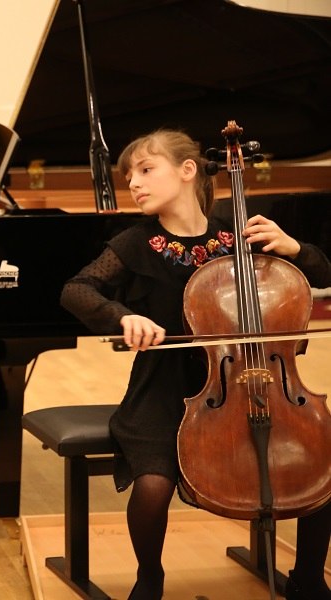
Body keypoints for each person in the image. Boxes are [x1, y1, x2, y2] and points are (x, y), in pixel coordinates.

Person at [59, 129, 331, 599]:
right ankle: (150, 578)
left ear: (188, 171)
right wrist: (124, 316)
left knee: (319, 467)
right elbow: (76, 290)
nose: (135, 184)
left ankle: (307, 580)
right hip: (163, 389)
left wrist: (295, 249)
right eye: (130, 177)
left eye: (146, 170)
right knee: (152, 485)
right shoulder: (135, 243)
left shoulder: (239, 235)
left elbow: (323, 273)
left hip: (260, 383)